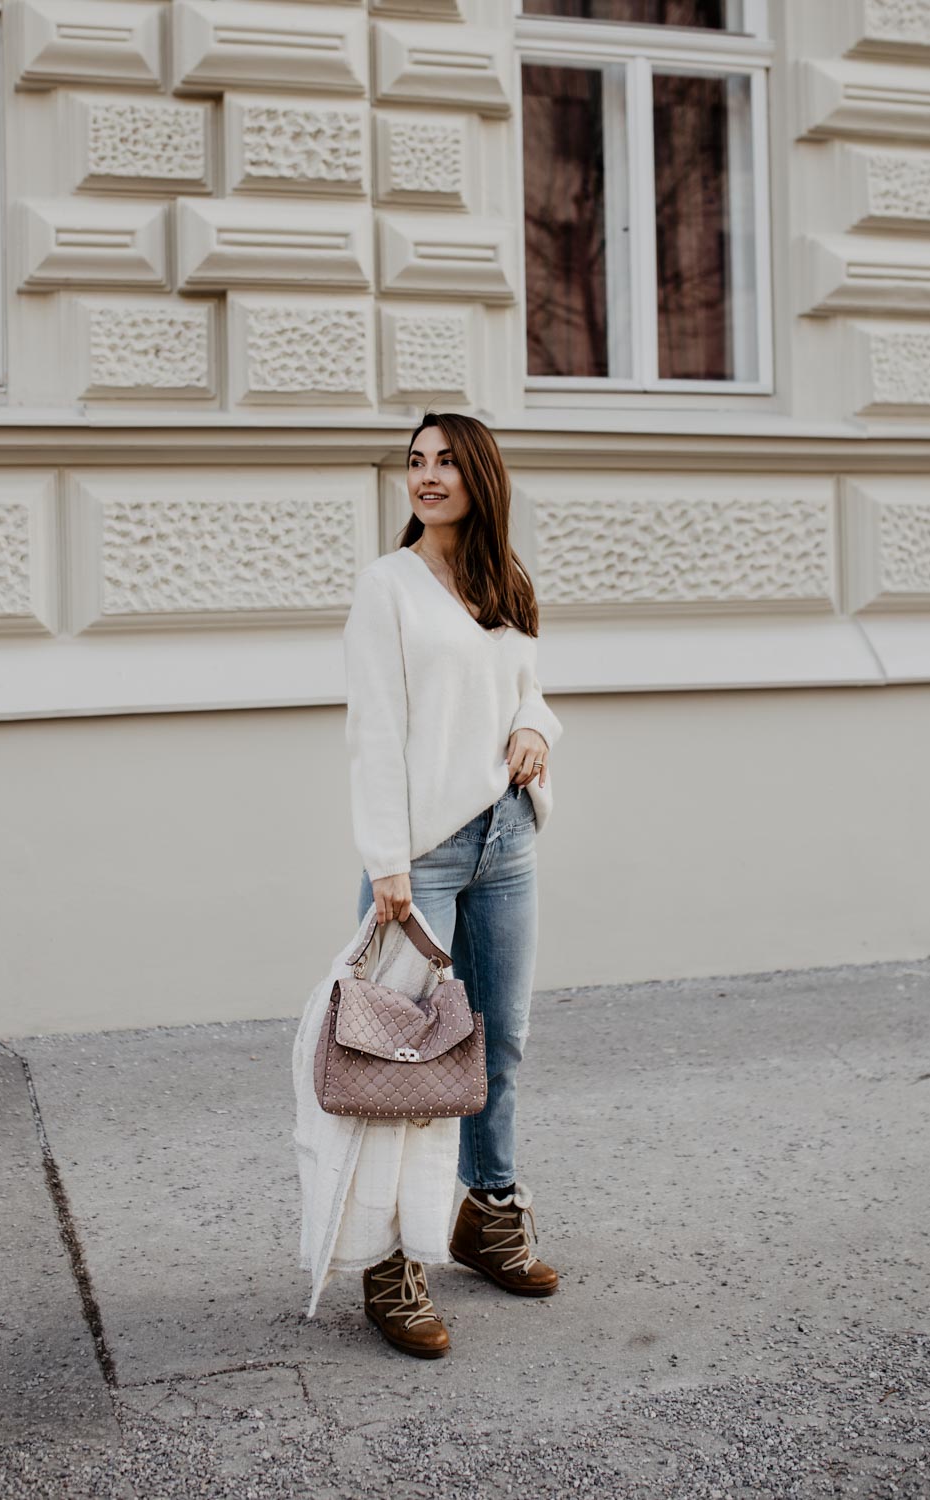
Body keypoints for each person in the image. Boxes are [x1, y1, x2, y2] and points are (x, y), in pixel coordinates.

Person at [342, 411, 564, 1358]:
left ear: (480, 475)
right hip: (420, 856)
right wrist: (386, 859)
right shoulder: (386, 587)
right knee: (402, 1066)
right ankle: (389, 1260)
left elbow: (526, 686)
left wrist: (537, 731)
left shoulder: (505, 580)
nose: (427, 477)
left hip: (506, 839)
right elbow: (375, 727)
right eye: (415, 463)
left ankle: (489, 1214)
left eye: (444, 462)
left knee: (499, 1042)